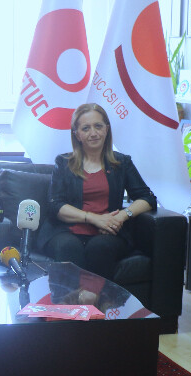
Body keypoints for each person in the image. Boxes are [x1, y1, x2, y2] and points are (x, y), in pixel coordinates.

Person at [40, 103, 157, 280]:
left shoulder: (122, 163)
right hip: (66, 231)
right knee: (68, 247)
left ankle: (96, 296)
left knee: (99, 248)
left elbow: (147, 198)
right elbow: (55, 205)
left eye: (98, 126)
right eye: (86, 128)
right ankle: (70, 298)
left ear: (106, 129)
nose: (93, 133)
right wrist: (94, 218)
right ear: (77, 134)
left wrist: (121, 216)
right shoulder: (64, 163)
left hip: (107, 233)